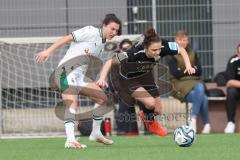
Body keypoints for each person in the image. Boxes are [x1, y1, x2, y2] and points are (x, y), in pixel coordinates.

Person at [35, 14, 122, 149]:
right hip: (64, 72)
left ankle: (96, 133)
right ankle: (70, 140)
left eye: (117, 31)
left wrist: (98, 79)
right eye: (112, 29)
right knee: (72, 103)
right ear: (104, 25)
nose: (114, 32)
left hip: (79, 76)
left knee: (103, 100)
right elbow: (67, 38)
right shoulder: (90, 31)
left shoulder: (101, 44)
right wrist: (48, 51)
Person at [100, 28, 195, 136]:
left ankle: (147, 117)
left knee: (158, 110)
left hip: (145, 76)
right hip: (128, 79)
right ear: (145, 48)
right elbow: (110, 62)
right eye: (154, 50)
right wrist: (102, 78)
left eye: (159, 49)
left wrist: (188, 65)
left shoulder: (163, 45)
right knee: (150, 103)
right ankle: (148, 120)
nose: (158, 52)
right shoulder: (134, 52)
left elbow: (181, 49)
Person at [168, 31, 211, 133]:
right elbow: (175, 73)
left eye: (185, 40)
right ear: (175, 40)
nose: (182, 42)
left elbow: (199, 71)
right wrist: (191, 69)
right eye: (180, 40)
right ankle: (206, 123)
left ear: (188, 40)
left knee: (201, 91)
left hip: (195, 82)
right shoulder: (172, 55)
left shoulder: (193, 53)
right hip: (179, 85)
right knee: (201, 93)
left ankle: (194, 119)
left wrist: (183, 70)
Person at [224, 43, 240, 133]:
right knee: (231, 92)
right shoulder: (233, 61)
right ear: (237, 53)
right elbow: (229, 82)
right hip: (236, 89)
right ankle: (231, 123)